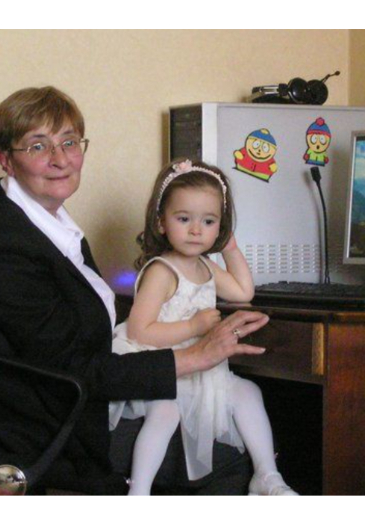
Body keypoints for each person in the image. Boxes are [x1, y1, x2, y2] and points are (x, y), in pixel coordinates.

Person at [0, 86, 270, 495]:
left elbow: (81, 323)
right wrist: (194, 355)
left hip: (68, 402)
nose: (60, 159)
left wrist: (169, 311)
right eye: (38, 146)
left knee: (231, 406)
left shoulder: (45, 224)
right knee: (228, 452)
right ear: (5, 159)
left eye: (69, 142)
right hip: (43, 426)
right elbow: (71, 368)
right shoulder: (0, 245)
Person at [108, 159, 297, 496]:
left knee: (248, 392)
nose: (196, 230)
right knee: (165, 412)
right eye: (184, 219)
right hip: (158, 364)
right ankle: (139, 492)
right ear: (161, 222)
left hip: (199, 369)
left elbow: (243, 292)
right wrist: (193, 325)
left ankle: (267, 476)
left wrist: (231, 248)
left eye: (209, 222)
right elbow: (139, 331)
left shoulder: (206, 266)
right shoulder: (162, 271)